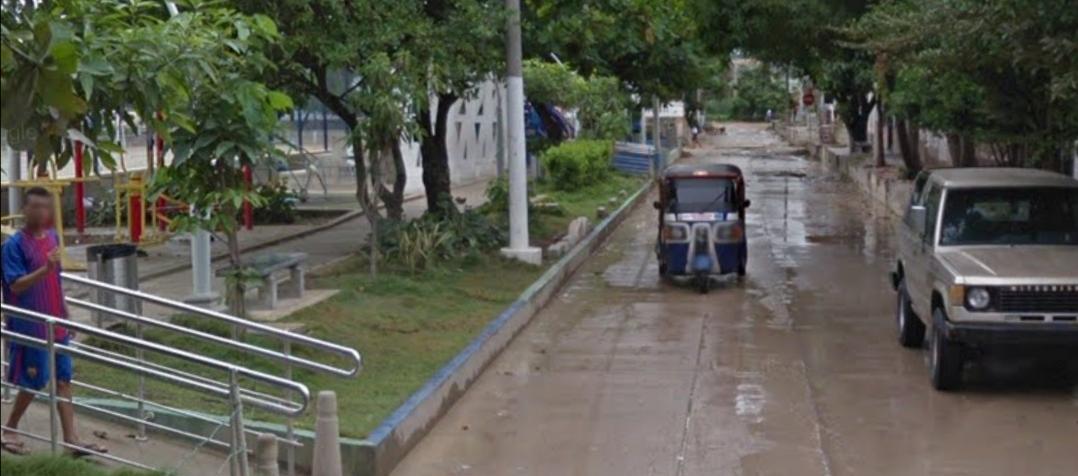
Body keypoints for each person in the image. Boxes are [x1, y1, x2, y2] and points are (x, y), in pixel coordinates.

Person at [1, 187, 107, 457]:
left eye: (45, 207)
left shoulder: (52, 238)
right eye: (35, 207)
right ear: (24, 210)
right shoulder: (14, 246)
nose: (41, 212)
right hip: (31, 325)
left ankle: (71, 439)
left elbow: (55, 279)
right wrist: (44, 269)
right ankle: (9, 428)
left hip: (56, 322)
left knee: (64, 379)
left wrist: (65, 312)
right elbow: (15, 284)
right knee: (34, 381)